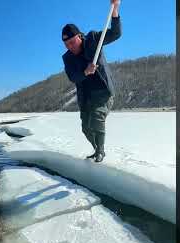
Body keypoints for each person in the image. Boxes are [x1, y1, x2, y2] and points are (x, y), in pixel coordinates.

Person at [62, 0, 121, 163]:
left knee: (96, 118)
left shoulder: (94, 39)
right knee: (86, 128)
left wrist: (115, 9)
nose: (70, 46)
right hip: (86, 96)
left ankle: (101, 152)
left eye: (72, 42)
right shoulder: (67, 58)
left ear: (79, 36)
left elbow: (116, 33)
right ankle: (97, 149)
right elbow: (72, 77)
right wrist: (85, 72)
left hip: (103, 92)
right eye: (66, 44)